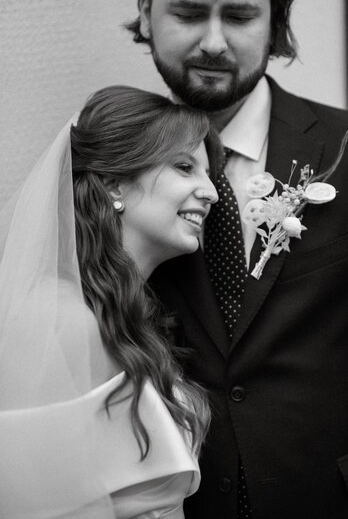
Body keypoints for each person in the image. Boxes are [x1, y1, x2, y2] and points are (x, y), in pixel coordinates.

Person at [126, 0, 348, 519]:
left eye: (239, 15)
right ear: (147, 11)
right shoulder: (114, 168)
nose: (212, 41)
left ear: (276, 24)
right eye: (187, 13)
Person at [0, 85, 219, 518]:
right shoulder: (58, 318)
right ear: (114, 182)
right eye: (185, 167)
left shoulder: (125, 316)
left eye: (208, 173)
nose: (210, 192)